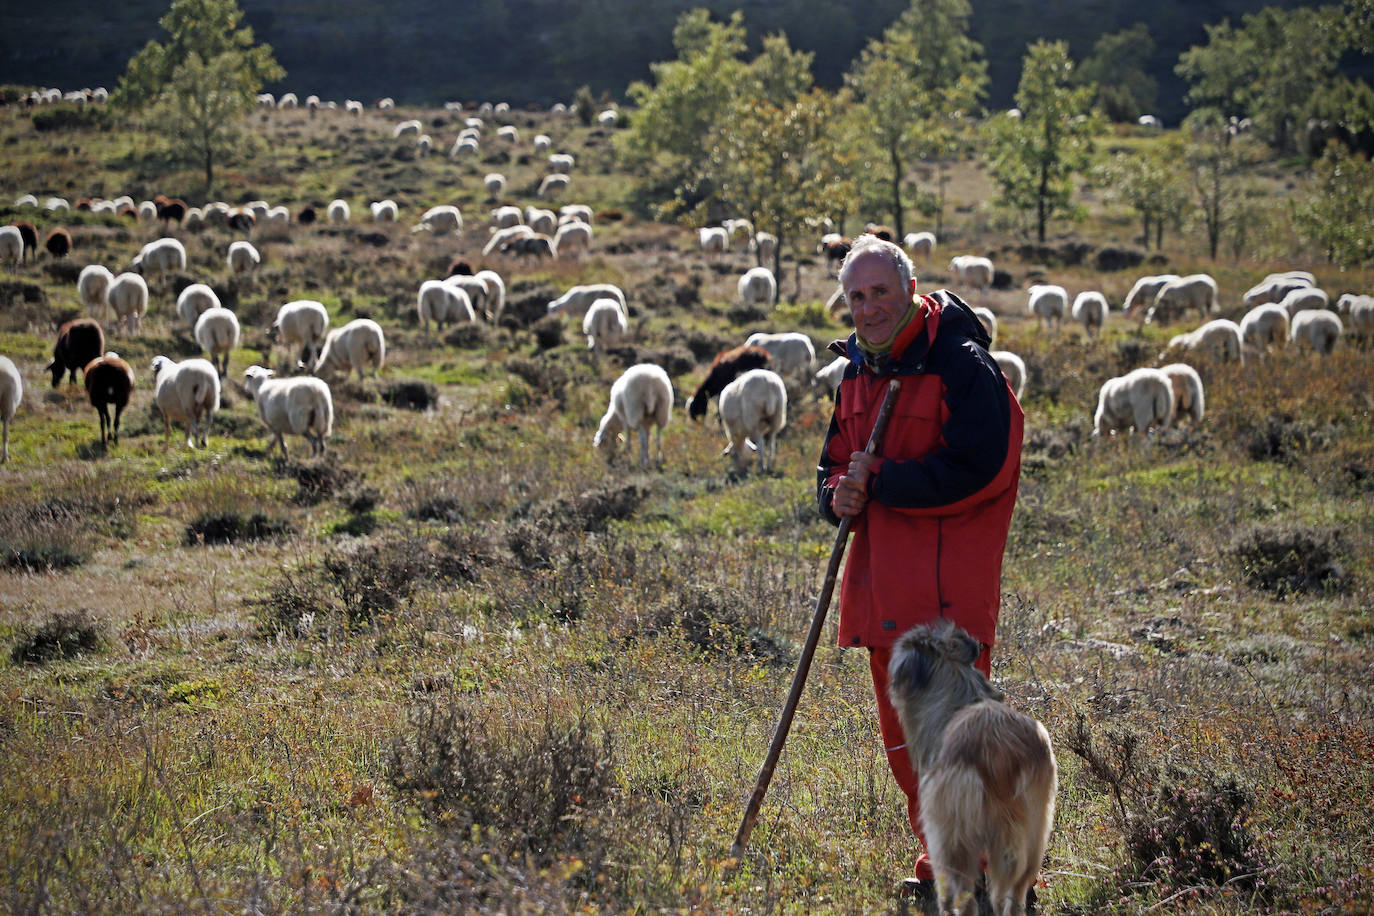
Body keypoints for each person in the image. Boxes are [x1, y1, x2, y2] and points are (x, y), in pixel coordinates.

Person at [815, 234, 1024, 898]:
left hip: (944, 597)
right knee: (911, 751)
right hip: (883, 593)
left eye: (880, 292)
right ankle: (947, 872)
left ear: (909, 289)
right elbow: (834, 465)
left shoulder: (960, 363)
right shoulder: (858, 369)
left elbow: (982, 467)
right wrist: (837, 494)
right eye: (856, 296)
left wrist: (882, 484)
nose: (868, 307)